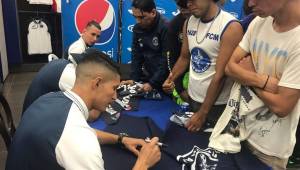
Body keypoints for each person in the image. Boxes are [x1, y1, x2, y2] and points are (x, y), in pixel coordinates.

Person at [6, 49, 161, 170]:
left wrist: (121, 139)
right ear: (97, 83)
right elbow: (78, 135)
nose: (115, 97)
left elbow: (81, 131)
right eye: (114, 88)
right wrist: (143, 163)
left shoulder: (53, 97)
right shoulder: (78, 137)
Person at [225, 0, 300, 169]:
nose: (250, 3)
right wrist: (263, 81)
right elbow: (230, 66)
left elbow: (282, 107)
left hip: (269, 149)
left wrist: (247, 76)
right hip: (239, 131)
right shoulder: (259, 22)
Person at [162, 0, 243, 132]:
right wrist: (171, 78)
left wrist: (203, 113)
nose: (189, 4)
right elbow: (184, 57)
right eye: (187, 1)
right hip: (193, 98)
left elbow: (221, 75)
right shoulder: (189, 22)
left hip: (217, 106)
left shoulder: (230, 26)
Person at [124, 0, 168, 92]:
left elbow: (166, 61)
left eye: (141, 17)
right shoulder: (137, 28)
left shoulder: (165, 27)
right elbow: (136, 56)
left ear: (153, 12)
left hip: (166, 82)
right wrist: (134, 79)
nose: (137, 21)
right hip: (149, 76)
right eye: (135, 17)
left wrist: (153, 83)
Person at [166, 0, 190, 104]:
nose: (183, 11)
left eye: (186, 8)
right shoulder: (174, 25)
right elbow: (174, 58)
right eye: (180, 8)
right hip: (183, 78)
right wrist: (180, 89)